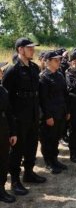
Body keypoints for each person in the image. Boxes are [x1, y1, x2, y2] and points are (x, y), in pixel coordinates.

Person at [2, 37, 47, 196]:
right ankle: (15, 180)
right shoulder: (12, 70)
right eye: (29, 48)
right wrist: (12, 122)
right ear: (20, 49)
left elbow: (38, 93)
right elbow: (6, 99)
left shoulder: (34, 68)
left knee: (32, 146)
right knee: (17, 150)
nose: (32, 50)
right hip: (19, 118)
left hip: (33, 115)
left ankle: (29, 173)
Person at [39, 51, 70, 174]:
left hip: (60, 112)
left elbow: (64, 95)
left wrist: (67, 111)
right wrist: (48, 116)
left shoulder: (59, 75)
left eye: (59, 60)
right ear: (48, 61)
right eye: (56, 60)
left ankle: (55, 160)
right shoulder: (43, 77)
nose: (59, 62)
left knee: (56, 138)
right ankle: (49, 162)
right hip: (50, 115)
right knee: (48, 140)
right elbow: (43, 100)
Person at [0, 62, 17, 203]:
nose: (1, 72)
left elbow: (10, 113)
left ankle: (1, 189)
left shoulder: (3, 91)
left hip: (3, 129)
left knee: (3, 160)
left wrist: (13, 133)